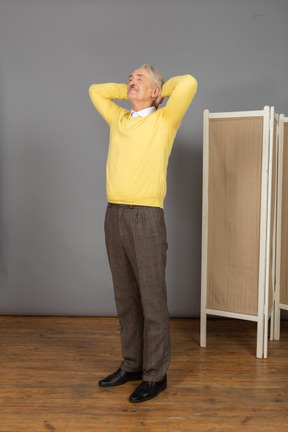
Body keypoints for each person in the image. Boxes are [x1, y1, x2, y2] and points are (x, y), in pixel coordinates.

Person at [89, 65, 197, 403]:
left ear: (156, 92)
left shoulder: (164, 120)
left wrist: (160, 91)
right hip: (114, 214)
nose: (131, 80)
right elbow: (96, 90)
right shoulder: (119, 120)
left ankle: (155, 374)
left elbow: (190, 83)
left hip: (146, 217)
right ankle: (132, 364)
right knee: (125, 298)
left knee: (151, 300)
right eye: (130, 77)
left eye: (140, 78)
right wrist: (130, 89)